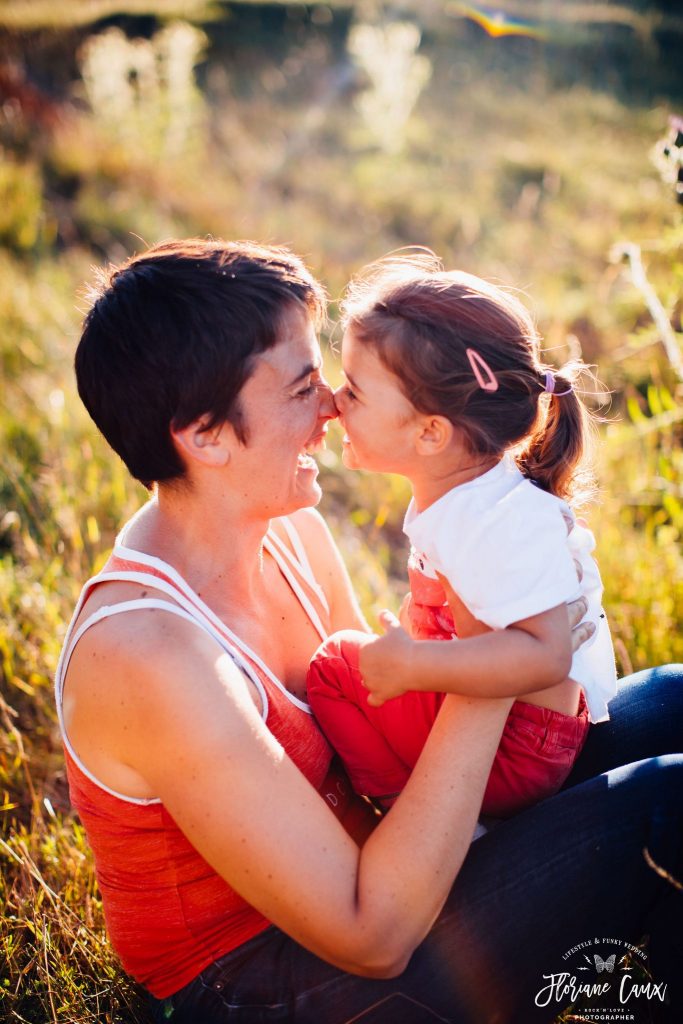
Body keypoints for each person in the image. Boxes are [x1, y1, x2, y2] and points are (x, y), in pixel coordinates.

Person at [55, 237, 683, 1024]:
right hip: (262, 981)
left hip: (378, 875)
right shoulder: (147, 651)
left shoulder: (287, 531)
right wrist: (490, 661)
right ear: (204, 436)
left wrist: (496, 648)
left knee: (674, 699)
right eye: (298, 388)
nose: (330, 406)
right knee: (668, 804)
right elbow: (372, 936)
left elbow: (389, 747)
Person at [307, 255, 617, 817]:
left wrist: (413, 668)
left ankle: (416, 819)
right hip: (531, 737)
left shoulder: (490, 519)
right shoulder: (471, 494)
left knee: (332, 671)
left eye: (354, 391)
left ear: (430, 433)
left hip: (515, 751)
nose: (333, 401)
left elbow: (547, 654)